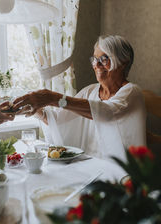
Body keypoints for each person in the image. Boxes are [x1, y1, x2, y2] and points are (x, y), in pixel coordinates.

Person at [13, 35, 146, 161]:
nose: (97, 65)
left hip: (122, 175)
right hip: (92, 166)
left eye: (104, 59)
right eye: (94, 59)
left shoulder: (132, 92)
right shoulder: (90, 91)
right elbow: (59, 119)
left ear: (123, 62)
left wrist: (52, 98)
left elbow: (107, 113)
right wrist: (36, 110)